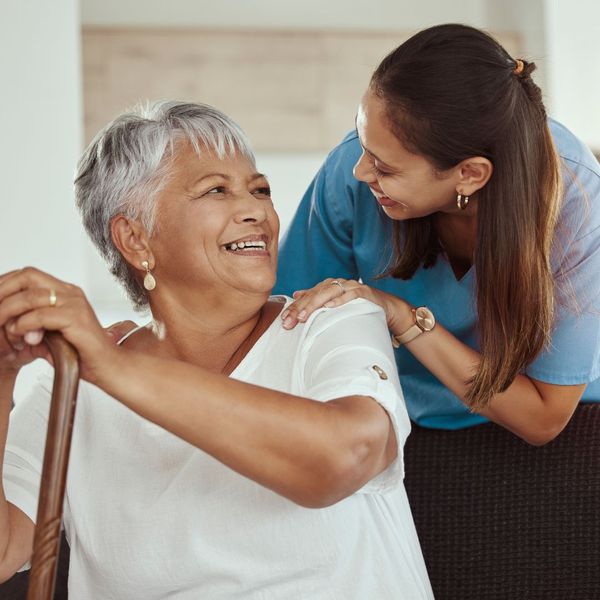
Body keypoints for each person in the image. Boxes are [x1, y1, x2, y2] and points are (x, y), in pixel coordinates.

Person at [0, 102, 433, 598]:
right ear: (136, 238)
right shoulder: (71, 385)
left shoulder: (329, 320)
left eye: (259, 189)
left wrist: (113, 366)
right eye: (216, 191)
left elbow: (345, 457)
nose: (256, 211)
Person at [274, 24, 600, 446]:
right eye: (362, 143)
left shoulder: (578, 203)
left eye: (385, 168)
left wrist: (402, 316)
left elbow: (542, 417)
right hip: (393, 420)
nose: (359, 171)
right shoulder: (350, 172)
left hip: (557, 436)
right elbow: (286, 330)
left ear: (469, 174)